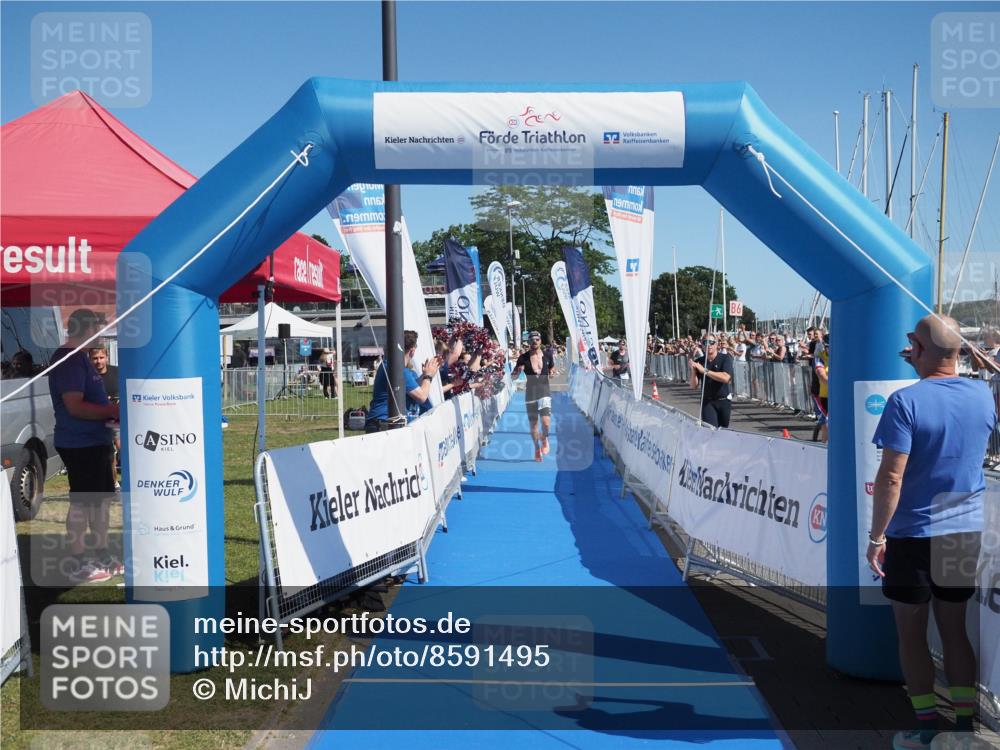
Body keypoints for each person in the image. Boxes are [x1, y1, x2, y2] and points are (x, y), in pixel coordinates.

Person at [867, 315, 996, 750]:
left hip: (914, 532)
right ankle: (962, 726)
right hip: (963, 529)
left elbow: (890, 479)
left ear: (918, 350)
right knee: (955, 630)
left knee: (912, 634)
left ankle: (926, 728)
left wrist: (875, 538)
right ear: (962, 352)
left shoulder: (905, 402)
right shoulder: (983, 394)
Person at [48, 310, 121, 583]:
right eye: (98, 328)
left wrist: (109, 413)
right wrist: (112, 410)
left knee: (100, 503)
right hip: (79, 443)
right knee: (83, 503)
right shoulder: (69, 360)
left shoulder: (80, 357)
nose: (100, 334)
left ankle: (101, 554)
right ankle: (78, 562)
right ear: (87, 328)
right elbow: (74, 406)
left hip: (96, 441)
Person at [365, 330, 439, 432]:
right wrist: (428, 377)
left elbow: (412, 387)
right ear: (412, 351)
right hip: (384, 424)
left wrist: (425, 374)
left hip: (382, 423)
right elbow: (421, 397)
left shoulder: (391, 366)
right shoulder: (398, 368)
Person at [512, 331, 556, 461]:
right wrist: (516, 372)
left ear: (540, 341)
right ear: (529, 342)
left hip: (544, 392)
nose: (534, 342)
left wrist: (552, 372)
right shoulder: (523, 358)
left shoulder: (548, 355)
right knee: (534, 425)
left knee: (546, 423)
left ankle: (545, 438)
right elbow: (513, 377)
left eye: (537, 339)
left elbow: (552, 368)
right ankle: (537, 448)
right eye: (532, 340)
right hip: (530, 393)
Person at [89, 342, 121, 484]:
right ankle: (113, 483)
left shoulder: (117, 372)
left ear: (107, 357)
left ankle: (128, 480)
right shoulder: (87, 376)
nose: (98, 361)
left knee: (121, 448)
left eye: (101, 357)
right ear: (90, 359)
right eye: (95, 358)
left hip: (116, 418)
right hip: (96, 419)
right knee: (107, 454)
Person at [688, 335, 734, 428]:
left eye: (711, 342)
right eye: (705, 342)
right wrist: (693, 372)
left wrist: (705, 371)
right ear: (702, 345)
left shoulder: (725, 358)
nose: (708, 345)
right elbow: (693, 386)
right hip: (707, 402)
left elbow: (726, 378)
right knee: (710, 431)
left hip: (723, 401)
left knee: (723, 431)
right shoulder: (699, 362)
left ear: (717, 344)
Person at [813, 335, 830, 443]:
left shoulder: (841, 355)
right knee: (828, 423)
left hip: (839, 395)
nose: (830, 349)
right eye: (828, 346)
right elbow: (822, 376)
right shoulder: (820, 357)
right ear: (824, 346)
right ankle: (825, 447)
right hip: (824, 395)